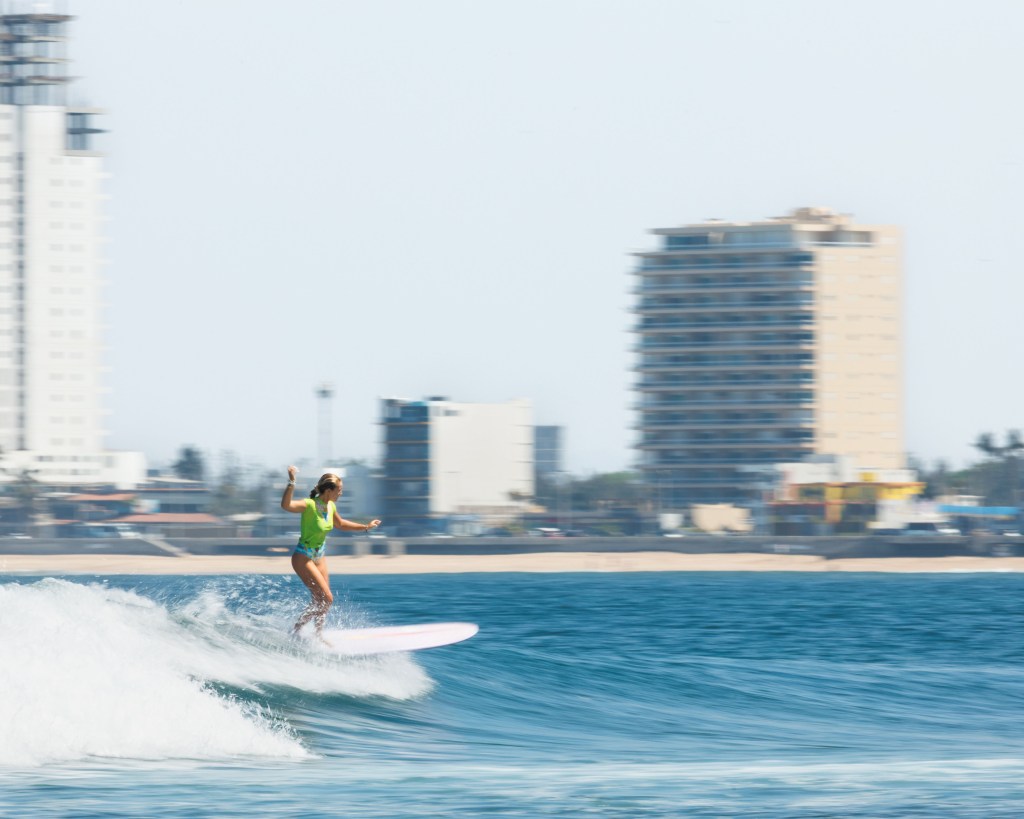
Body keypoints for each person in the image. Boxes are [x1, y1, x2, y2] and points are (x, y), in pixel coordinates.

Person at [280, 466, 381, 638]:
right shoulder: (309, 505)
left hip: (319, 556)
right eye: (339, 490)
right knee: (327, 599)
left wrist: (366, 527)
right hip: (303, 557)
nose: (341, 493)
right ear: (328, 490)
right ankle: (295, 630)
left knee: (320, 600)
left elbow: (340, 524)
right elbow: (286, 505)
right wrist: (291, 481)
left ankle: (318, 635)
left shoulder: (331, 506)